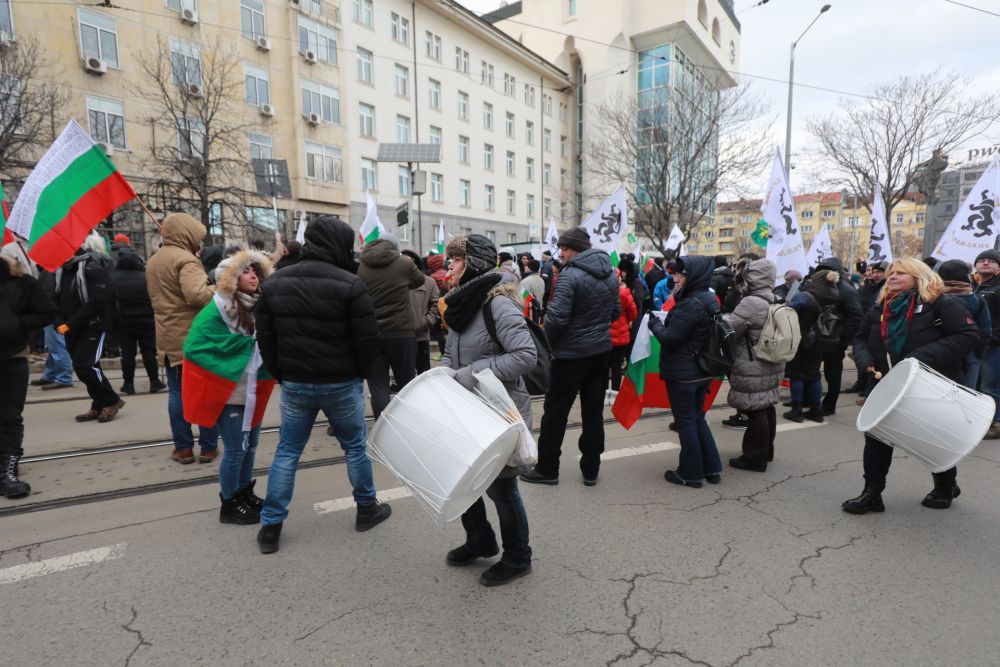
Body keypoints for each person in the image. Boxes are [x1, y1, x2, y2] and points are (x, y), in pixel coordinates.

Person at [255, 216, 388, 554]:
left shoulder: (274, 283)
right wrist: (357, 374)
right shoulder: (350, 284)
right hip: (341, 381)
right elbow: (367, 341)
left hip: (296, 381)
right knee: (355, 447)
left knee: (287, 451)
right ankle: (366, 509)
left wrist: (281, 373)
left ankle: (270, 525)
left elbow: (266, 340)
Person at [844, 258, 979, 514]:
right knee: (876, 437)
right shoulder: (880, 308)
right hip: (886, 384)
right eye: (890, 273)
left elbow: (968, 335)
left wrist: (919, 358)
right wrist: (866, 363)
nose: (892, 276)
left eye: (901, 273)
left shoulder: (940, 304)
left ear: (919, 276)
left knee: (934, 436)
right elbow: (860, 340)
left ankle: (945, 486)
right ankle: (872, 493)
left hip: (931, 385)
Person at [439, 234, 536, 586]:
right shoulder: (460, 303)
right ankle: (480, 540)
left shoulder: (498, 304)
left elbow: (526, 356)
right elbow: (452, 353)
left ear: (474, 263)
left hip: (500, 410)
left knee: (501, 487)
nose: (449, 266)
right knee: (465, 479)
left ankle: (517, 557)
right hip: (469, 409)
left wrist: (469, 373)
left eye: (456, 259)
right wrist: (441, 373)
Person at [520, 227, 620, 486]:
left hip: (570, 355)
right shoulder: (610, 273)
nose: (561, 253)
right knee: (593, 411)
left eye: (564, 248)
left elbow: (556, 320)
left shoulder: (569, 275)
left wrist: (546, 343)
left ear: (575, 248)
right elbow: (615, 313)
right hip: (600, 352)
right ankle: (591, 469)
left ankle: (548, 468)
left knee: (555, 412)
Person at [183, 251, 276, 525]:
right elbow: (194, 347)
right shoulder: (217, 309)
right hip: (229, 392)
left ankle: (244, 493)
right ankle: (229, 502)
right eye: (246, 271)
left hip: (252, 388)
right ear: (230, 278)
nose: (253, 275)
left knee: (251, 447)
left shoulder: (257, 305)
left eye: (256, 271)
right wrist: (246, 348)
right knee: (236, 449)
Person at [146, 212, 219, 464]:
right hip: (193, 336)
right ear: (186, 234)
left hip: (167, 336)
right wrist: (219, 285)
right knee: (205, 392)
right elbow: (197, 296)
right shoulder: (186, 260)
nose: (198, 243)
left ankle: (183, 448)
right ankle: (208, 446)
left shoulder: (153, 260)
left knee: (176, 393)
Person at [647, 256, 723, 487]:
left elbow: (670, 339)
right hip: (701, 369)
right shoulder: (708, 298)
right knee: (697, 418)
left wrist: (653, 323)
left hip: (684, 373)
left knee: (687, 422)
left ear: (694, 276)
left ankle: (690, 474)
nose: (675, 278)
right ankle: (711, 468)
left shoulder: (690, 303)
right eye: (675, 273)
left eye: (681, 274)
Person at [0, 252, 55, 497]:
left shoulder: (20, 280)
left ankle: (7, 472)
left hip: (12, 357)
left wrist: (16, 323)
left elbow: (45, 313)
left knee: (10, 416)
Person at [55, 233, 125, 424]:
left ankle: (112, 401)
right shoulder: (62, 271)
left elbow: (97, 302)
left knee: (85, 365)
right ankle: (98, 404)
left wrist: (70, 323)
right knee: (85, 367)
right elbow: (57, 299)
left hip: (94, 325)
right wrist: (60, 322)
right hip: (71, 328)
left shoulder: (93, 268)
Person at [723, 259, 784, 472]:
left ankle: (753, 458)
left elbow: (731, 330)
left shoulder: (751, 303)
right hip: (772, 360)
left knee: (755, 409)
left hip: (752, 362)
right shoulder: (776, 298)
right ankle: (766, 452)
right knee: (766, 405)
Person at [356, 232, 425, 420]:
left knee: (378, 386)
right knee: (406, 383)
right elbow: (420, 280)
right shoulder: (404, 263)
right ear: (395, 246)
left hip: (372, 333)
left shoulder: (360, 265)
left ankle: (384, 427)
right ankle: (408, 422)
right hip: (401, 333)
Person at [784, 268, 842, 423]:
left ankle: (796, 410)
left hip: (800, 339)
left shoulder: (804, 296)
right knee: (814, 374)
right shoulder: (833, 295)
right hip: (819, 340)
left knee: (796, 374)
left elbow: (787, 312)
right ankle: (816, 410)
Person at [815, 257, 863, 416]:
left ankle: (829, 405)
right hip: (819, 336)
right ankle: (811, 400)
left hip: (835, 340)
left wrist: (840, 334)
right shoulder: (822, 286)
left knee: (832, 373)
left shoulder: (847, 290)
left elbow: (856, 316)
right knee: (812, 370)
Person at [112, 253, 165, 395]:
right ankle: (154, 381)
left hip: (124, 321)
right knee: (149, 351)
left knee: (127, 353)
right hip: (147, 320)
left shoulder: (114, 278)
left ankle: (128, 384)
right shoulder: (146, 277)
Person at [937, 259, 991, 391]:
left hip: (938, 352)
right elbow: (985, 331)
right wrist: (977, 354)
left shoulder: (933, 297)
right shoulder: (975, 299)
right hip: (970, 354)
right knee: (966, 395)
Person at [973, 249, 1000, 439]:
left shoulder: (997, 288)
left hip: (994, 345)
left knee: (991, 386)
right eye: (981, 260)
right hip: (979, 344)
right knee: (980, 385)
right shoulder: (976, 287)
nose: (985, 263)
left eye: (990, 261)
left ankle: (996, 423)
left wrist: (994, 337)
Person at [401, 250, 440, 375]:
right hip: (399, 335)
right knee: (404, 375)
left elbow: (436, 305)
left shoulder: (429, 282)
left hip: (421, 337)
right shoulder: (394, 281)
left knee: (424, 374)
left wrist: (426, 321)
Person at [607, 272, 637, 405]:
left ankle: (603, 394)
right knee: (617, 366)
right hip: (621, 334)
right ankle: (614, 394)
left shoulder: (602, 291)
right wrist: (629, 320)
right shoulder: (624, 293)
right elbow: (633, 311)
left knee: (603, 366)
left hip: (604, 335)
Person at [520, 259, 546, 323]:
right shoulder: (541, 279)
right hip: (539, 309)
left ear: (530, 268)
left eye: (527, 266)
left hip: (530, 312)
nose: (525, 267)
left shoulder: (525, 281)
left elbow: (523, 297)